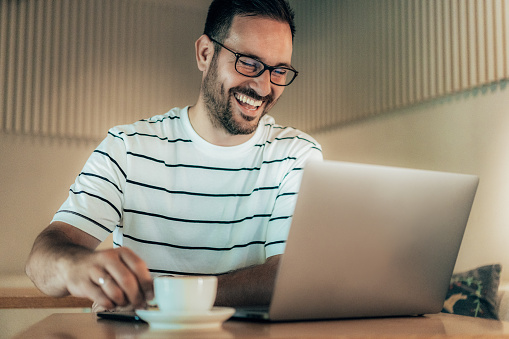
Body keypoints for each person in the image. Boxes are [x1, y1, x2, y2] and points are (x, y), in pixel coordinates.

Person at [26, 0, 322, 311]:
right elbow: (41, 261)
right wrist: (75, 265)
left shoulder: (297, 156)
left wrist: (158, 294)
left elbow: (288, 277)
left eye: (279, 70)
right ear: (205, 54)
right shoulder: (128, 148)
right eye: (249, 63)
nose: (263, 86)